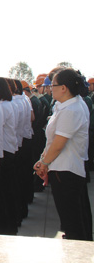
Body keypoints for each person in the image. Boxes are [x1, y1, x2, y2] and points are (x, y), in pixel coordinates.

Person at [34, 68, 93, 241]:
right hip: (62, 167)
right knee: (73, 217)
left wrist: (44, 163)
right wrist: (43, 158)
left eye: (53, 85)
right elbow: (53, 140)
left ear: (64, 88)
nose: (50, 88)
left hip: (66, 169)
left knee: (72, 221)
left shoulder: (72, 109)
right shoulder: (67, 106)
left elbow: (59, 143)